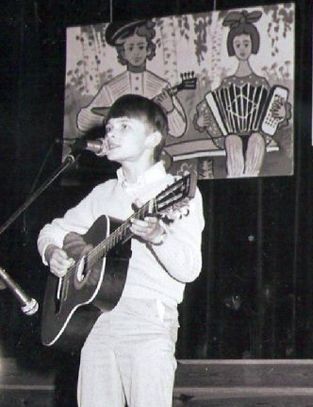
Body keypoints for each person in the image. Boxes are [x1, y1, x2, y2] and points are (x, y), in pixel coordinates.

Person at [38, 94, 205, 407]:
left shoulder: (175, 192)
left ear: (153, 138)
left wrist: (158, 237)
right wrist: (51, 253)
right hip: (96, 323)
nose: (111, 134)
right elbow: (52, 231)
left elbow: (190, 269)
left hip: (148, 321)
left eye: (124, 126)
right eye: (109, 128)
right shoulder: (103, 194)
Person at [194, 10, 289, 177]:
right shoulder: (226, 84)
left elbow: (276, 112)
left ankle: (250, 178)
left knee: (256, 140)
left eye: (246, 43)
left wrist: (282, 113)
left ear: (253, 45)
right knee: (232, 140)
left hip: (259, 135)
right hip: (229, 136)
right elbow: (209, 108)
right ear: (232, 47)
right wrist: (200, 122)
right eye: (237, 45)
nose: (242, 49)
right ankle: (236, 179)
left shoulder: (261, 83)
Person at [76, 20, 187, 139]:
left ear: (148, 49)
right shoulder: (111, 89)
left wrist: (170, 109)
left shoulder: (161, 86)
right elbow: (82, 122)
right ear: (123, 53)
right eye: (130, 48)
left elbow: (179, 131)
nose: (136, 53)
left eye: (141, 47)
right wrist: (110, 117)